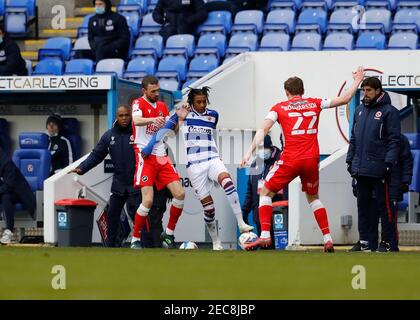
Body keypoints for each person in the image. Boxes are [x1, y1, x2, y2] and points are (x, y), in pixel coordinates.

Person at [240, 67, 366, 252]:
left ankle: (265, 236)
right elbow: (345, 99)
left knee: (266, 192)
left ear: (286, 92)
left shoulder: (279, 107)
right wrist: (357, 80)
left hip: (291, 158)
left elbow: (263, 129)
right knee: (314, 198)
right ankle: (328, 239)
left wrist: (249, 151)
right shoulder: (315, 103)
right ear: (303, 91)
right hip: (311, 159)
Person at [141, 87, 254, 250]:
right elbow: (168, 131)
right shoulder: (182, 113)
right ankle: (216, 242)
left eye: (204, 102)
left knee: (227, 182)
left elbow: (210, 134)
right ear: (191, 102)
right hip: (195, 166)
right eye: (198, 102)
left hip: (212, 158)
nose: (201, 105)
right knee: (209, 209)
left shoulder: (213, 115)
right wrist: (149, 147)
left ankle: (241, 222)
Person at [130, 75, 188, 249]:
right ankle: (135, 239)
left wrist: (180, 119)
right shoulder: (138, 103)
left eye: (158, 90)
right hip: (144, 155)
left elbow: (171, 133)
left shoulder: (162, 106)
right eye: (153, 91)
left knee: (180, 194)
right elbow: (136, 120)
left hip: (161, 155)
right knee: (147, 200)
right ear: (144, 91)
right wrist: (153, 120)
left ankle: (168, 234)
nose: (156, 93)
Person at [71, 105, 140, 247]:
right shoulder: (109, 136)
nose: (124, 118)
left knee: (140, 215)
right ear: (117, 117)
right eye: (121, 115)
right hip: (119, 183)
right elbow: (96, 155)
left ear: (131, 116)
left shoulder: (139, 133)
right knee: (112, 215)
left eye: (127, 115)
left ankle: (145, 244)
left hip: (136, 182)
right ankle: (110, 246)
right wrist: (82, 168)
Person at [347, 77, 401, 252]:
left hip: (380, 169)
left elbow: (394, 141)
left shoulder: (389, 112)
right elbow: (354, 139)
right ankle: (364, 241)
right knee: (362, 206)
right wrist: (350, 161)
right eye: (364, 90)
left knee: (383, 207)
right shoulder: (359, 111)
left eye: (369, 90)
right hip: (361, 168)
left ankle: (385, 242)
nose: (365, 94)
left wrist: (388, 163)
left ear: (378, 91)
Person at [351, 133, 413, 252]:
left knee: (389, 216)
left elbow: (406, 161)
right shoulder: (368, 137)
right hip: (371, 183)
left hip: (391, 183)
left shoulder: (399, 139)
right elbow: (359, 160)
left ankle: (390, 245)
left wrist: (405, 181)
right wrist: (354, 182)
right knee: (370, 217)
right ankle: (370, 245)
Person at [242, 134, 283, 243]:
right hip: (259, 215)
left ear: (271, 147)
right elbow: (250, 191)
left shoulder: (280, 160)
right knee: (264, 250)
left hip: (279, 215)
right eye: (260, 149)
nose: (262, 152)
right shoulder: (254, 164)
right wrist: (244, 212)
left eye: (265, 148)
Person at [0, 147, 36, 245]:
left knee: (5, 197)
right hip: (5, 191)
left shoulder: (6, 164)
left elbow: (9, 185)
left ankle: (9, 231)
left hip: (20, 193)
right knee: (4, 195)